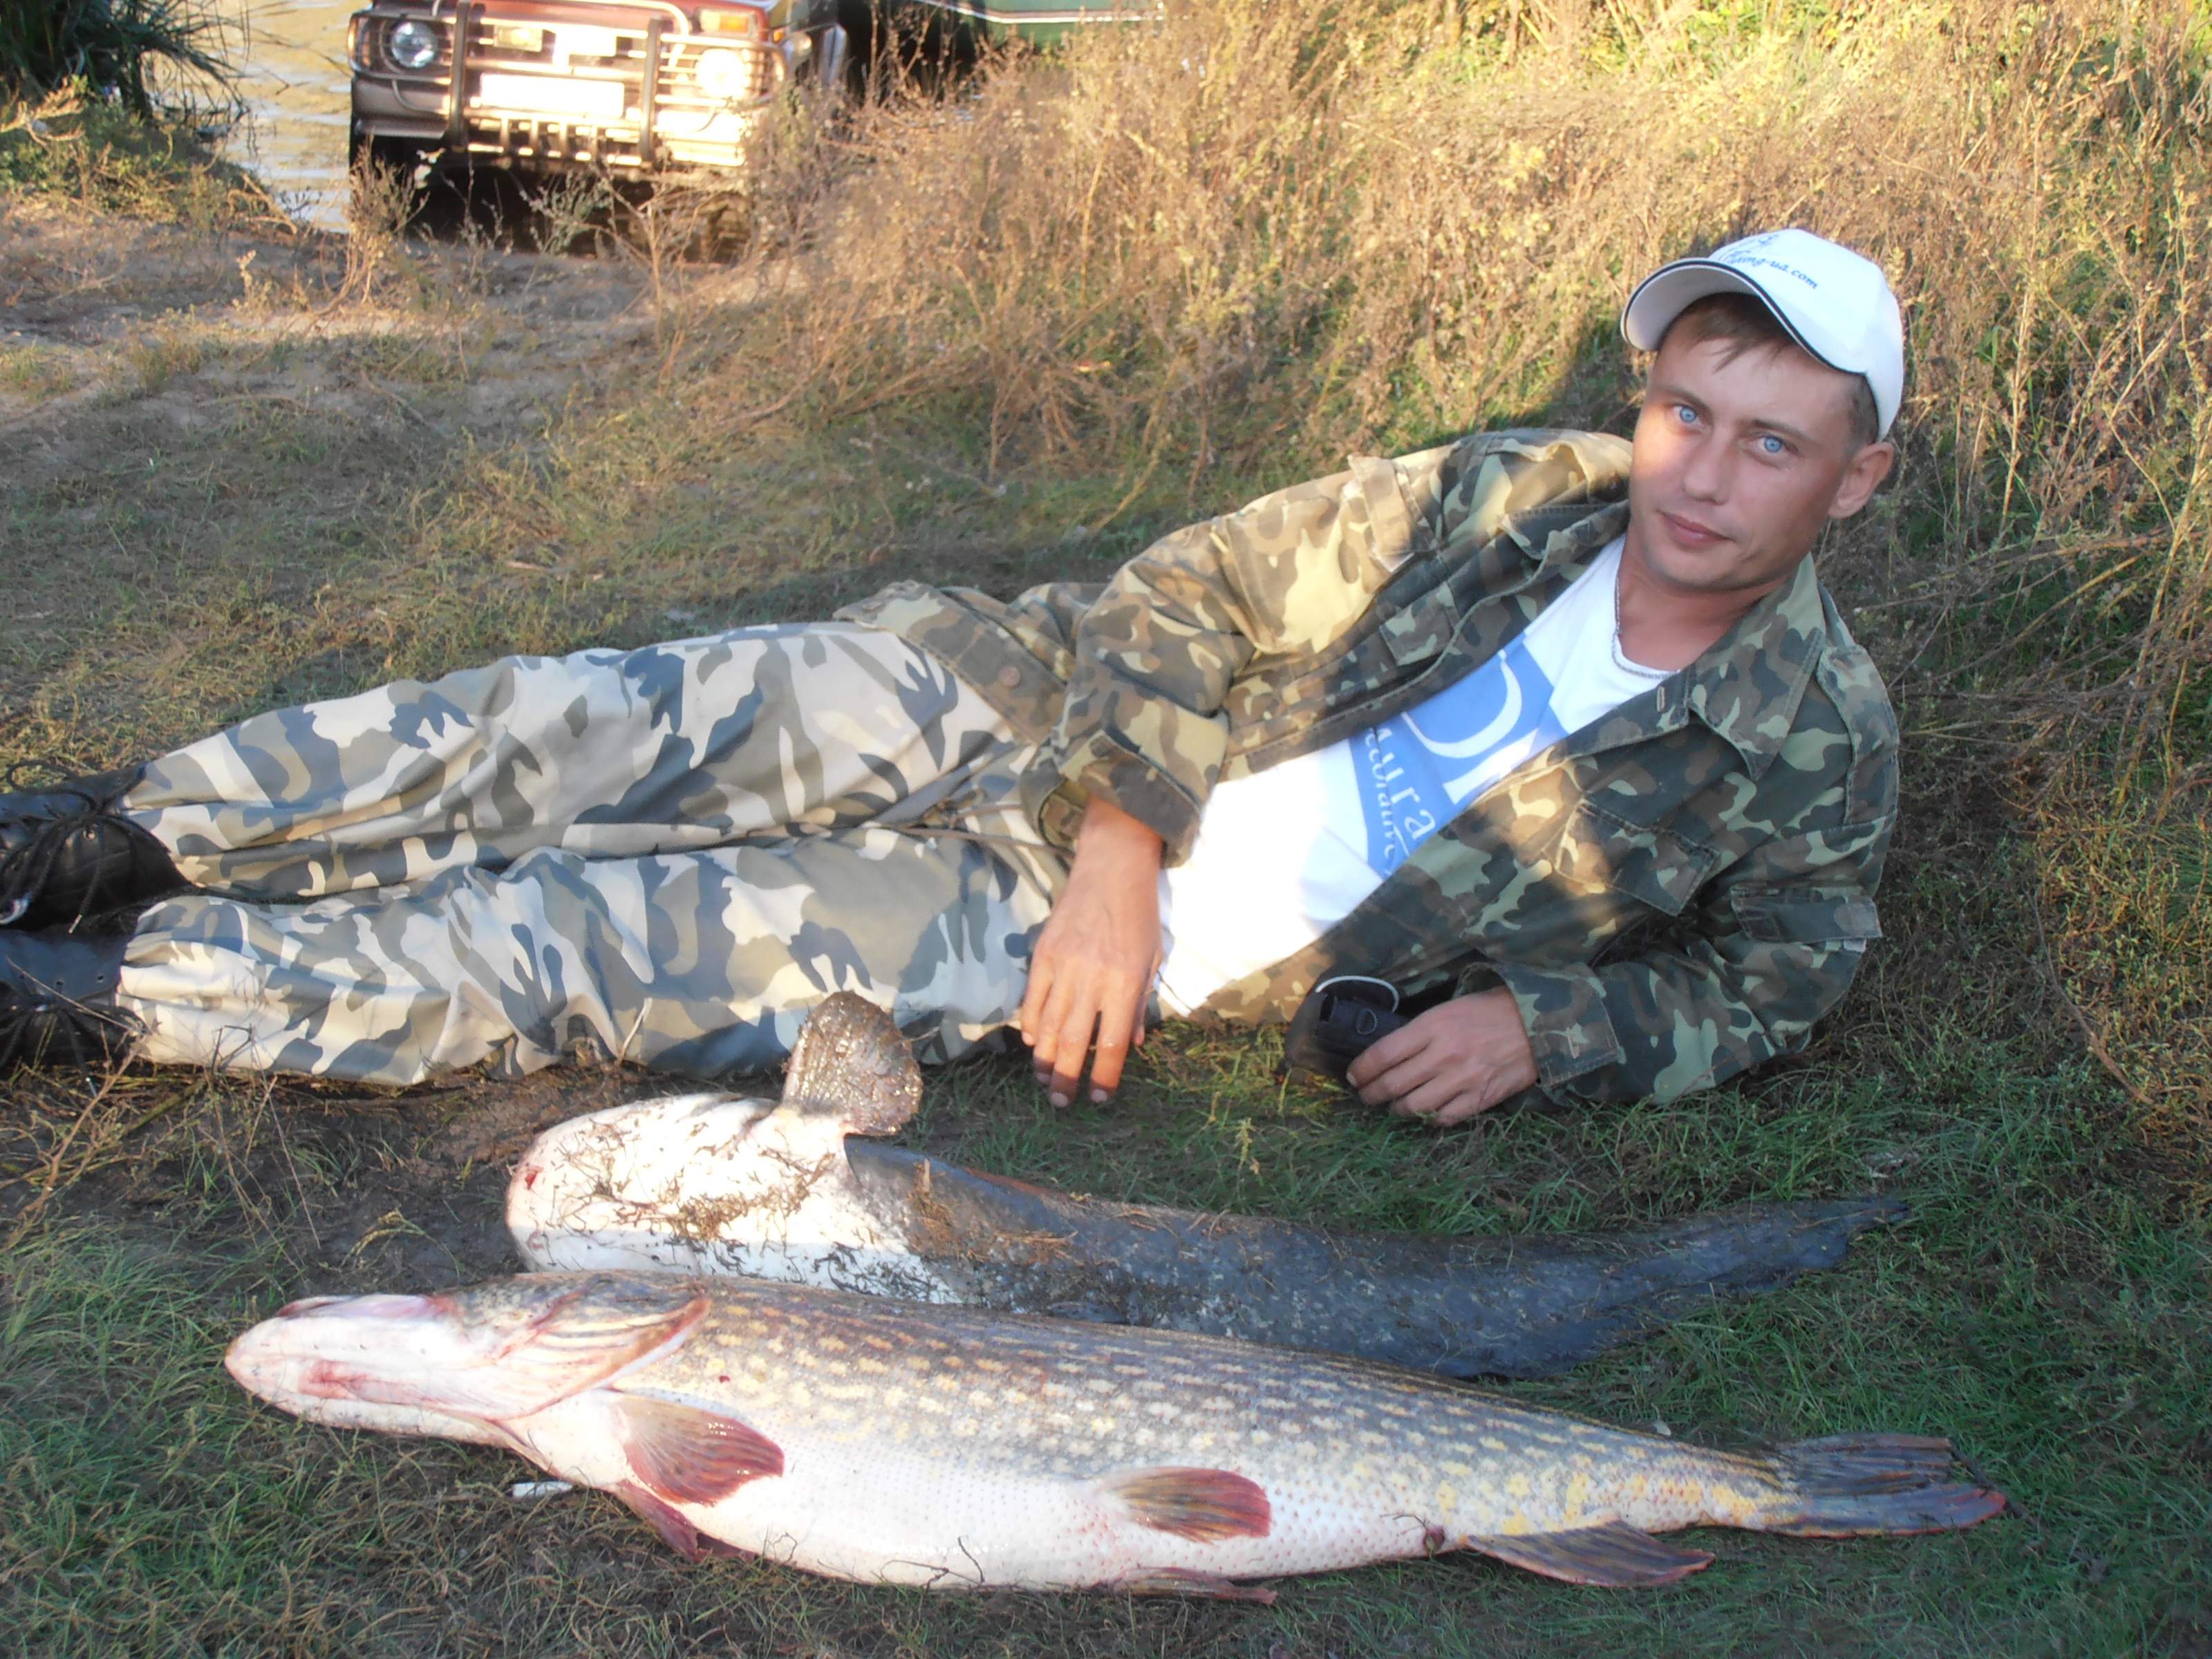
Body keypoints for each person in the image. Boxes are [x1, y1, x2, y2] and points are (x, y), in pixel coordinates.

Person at [0, 229, 1902, 1128]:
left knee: (581, 948)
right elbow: (1199, 582)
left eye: (1771, 445)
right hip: (1015, 702)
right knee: (566, 727)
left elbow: (1782, 971)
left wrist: (1553, 1031)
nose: (1700, 477)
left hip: (1077, 948)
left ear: (1857, 480)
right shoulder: (1521, 492)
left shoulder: (1818, 743)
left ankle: (92, 996)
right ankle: (107, 840)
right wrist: (1122, 841)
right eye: (1685, 413)